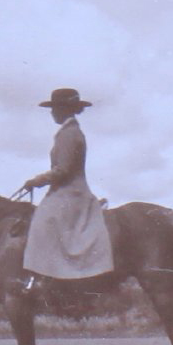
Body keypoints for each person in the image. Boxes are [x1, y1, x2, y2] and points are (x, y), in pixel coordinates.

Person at [18, 88, 114, 291]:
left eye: (55, 109)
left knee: (42, 220)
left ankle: (40, 278)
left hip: (71, 191)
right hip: (66, 190)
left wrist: (36, 181)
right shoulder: (68, 132)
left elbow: (63, 170)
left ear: (64, 109)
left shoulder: (69, 134)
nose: (52, 113)